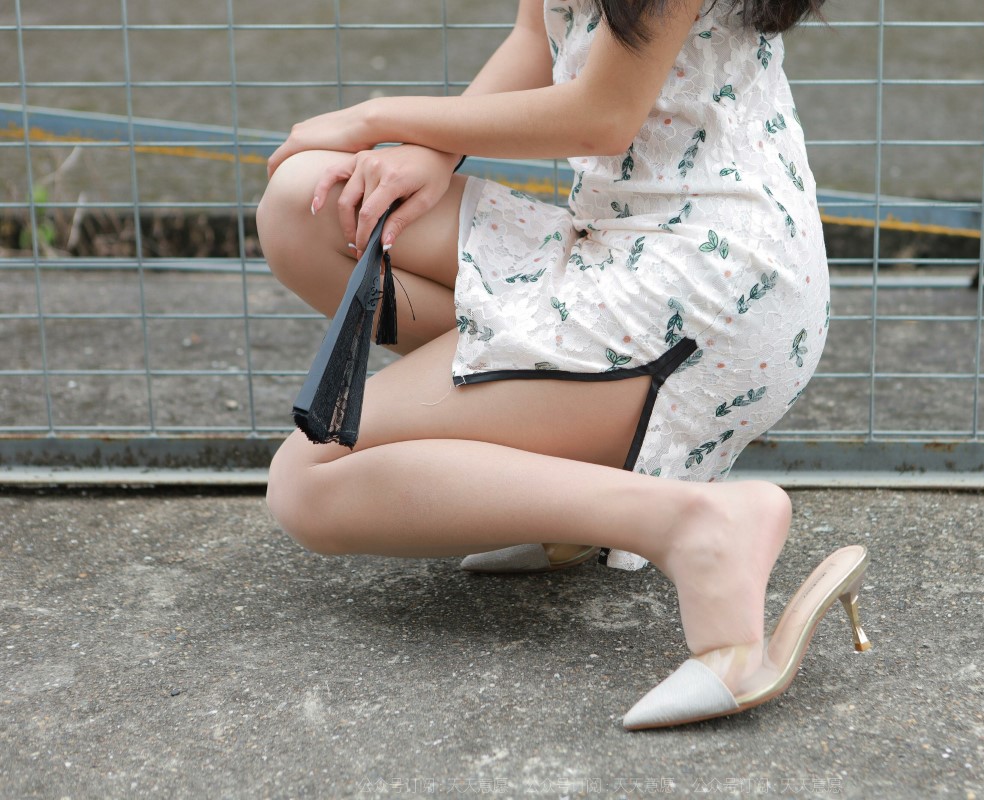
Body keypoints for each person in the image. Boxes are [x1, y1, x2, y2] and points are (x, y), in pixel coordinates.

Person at [257, 0, 871, 730]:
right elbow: (532, 34)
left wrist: (378, 117)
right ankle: (564, 475)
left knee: (309, 480)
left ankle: (696, 527)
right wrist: (431, 153)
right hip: (615, 240)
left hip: (706, 287)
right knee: (310, 202)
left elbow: (601, 117)